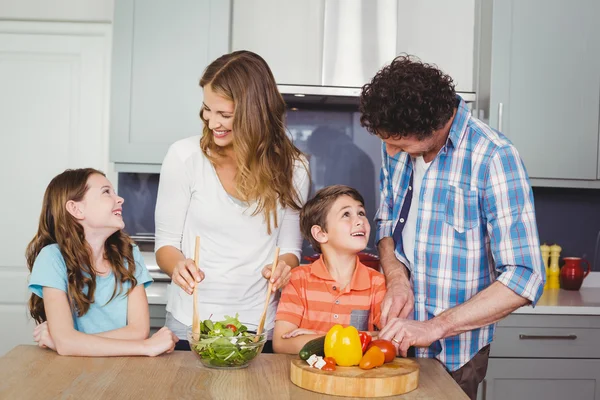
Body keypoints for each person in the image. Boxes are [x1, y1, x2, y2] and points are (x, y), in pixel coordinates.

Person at [359, 55, 545, 399]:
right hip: (394, 344)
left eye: (399, 143)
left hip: (455, 355)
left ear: (432, 126)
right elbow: (386, 223)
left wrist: (435, 326)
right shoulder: (397, 147)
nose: (389, 150)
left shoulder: (493, 156)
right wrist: (397, 279)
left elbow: (524, 276)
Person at [155, 50, 310, 351]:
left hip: (259, 326)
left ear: (255, 113)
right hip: (191, 324)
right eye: (206, 110)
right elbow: (166, 245)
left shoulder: (295, 167)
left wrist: (283, 268)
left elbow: (290, 249)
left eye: (224, 114)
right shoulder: (184, 157)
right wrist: (178, 266)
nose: (212, 123)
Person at [27, 168, 178, 357]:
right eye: (106, 192)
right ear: (76, 209)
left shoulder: (129, 254)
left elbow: (139, 332)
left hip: (122, 370)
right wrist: (146, 347)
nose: (120, 199)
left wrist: (69, 342)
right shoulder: (52, 258)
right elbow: (67, 342)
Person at [273, 185, 386, 354]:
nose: (359, 221)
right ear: (320, 234)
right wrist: (362, 337)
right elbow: (281, 344)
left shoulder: (376, 282)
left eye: (361, 213)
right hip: (309, 379)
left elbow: (390, 338)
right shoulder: (298, 279)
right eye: (346, 214)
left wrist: (321, 338)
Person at [306, 126, 377, 250]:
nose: (322, 159)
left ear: (323, 144)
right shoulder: (352, 153)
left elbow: (335, 198)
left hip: (348, 231)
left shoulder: (343, 156)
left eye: (320, 154)